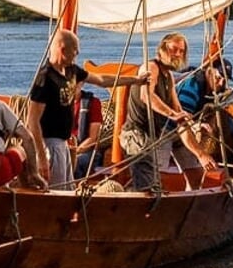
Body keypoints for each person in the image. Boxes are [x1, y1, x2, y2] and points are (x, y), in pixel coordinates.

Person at [25, 29, 141, 187]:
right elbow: (32, 121)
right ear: (62, 49)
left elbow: (101, 79)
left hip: (63, 144)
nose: (77, 52)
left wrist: (135, 80)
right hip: (49, 144)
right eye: (75, 49)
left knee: (67, 188)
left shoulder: (72, 71)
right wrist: (41, 156)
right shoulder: (45, 79)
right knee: (55, 190)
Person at [120, 33, 216, 194]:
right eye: (173, 49)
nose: (177, 54)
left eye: (181, 51)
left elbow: (178, 109)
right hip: (137, 134)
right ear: (162, 49)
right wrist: (172, 115)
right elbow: (146, 95)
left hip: (155, 135)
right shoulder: (150, 67)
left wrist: (192, 124)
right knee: (147, 187)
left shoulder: (169, 76)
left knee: (155, 185)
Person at [72, 88, 106, 180]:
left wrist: (74, 153)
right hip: (62, 148)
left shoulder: (93, 103)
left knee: (75, 162)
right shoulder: (56, 102)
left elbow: (92, 138)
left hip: (86, 151)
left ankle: (73, 189)